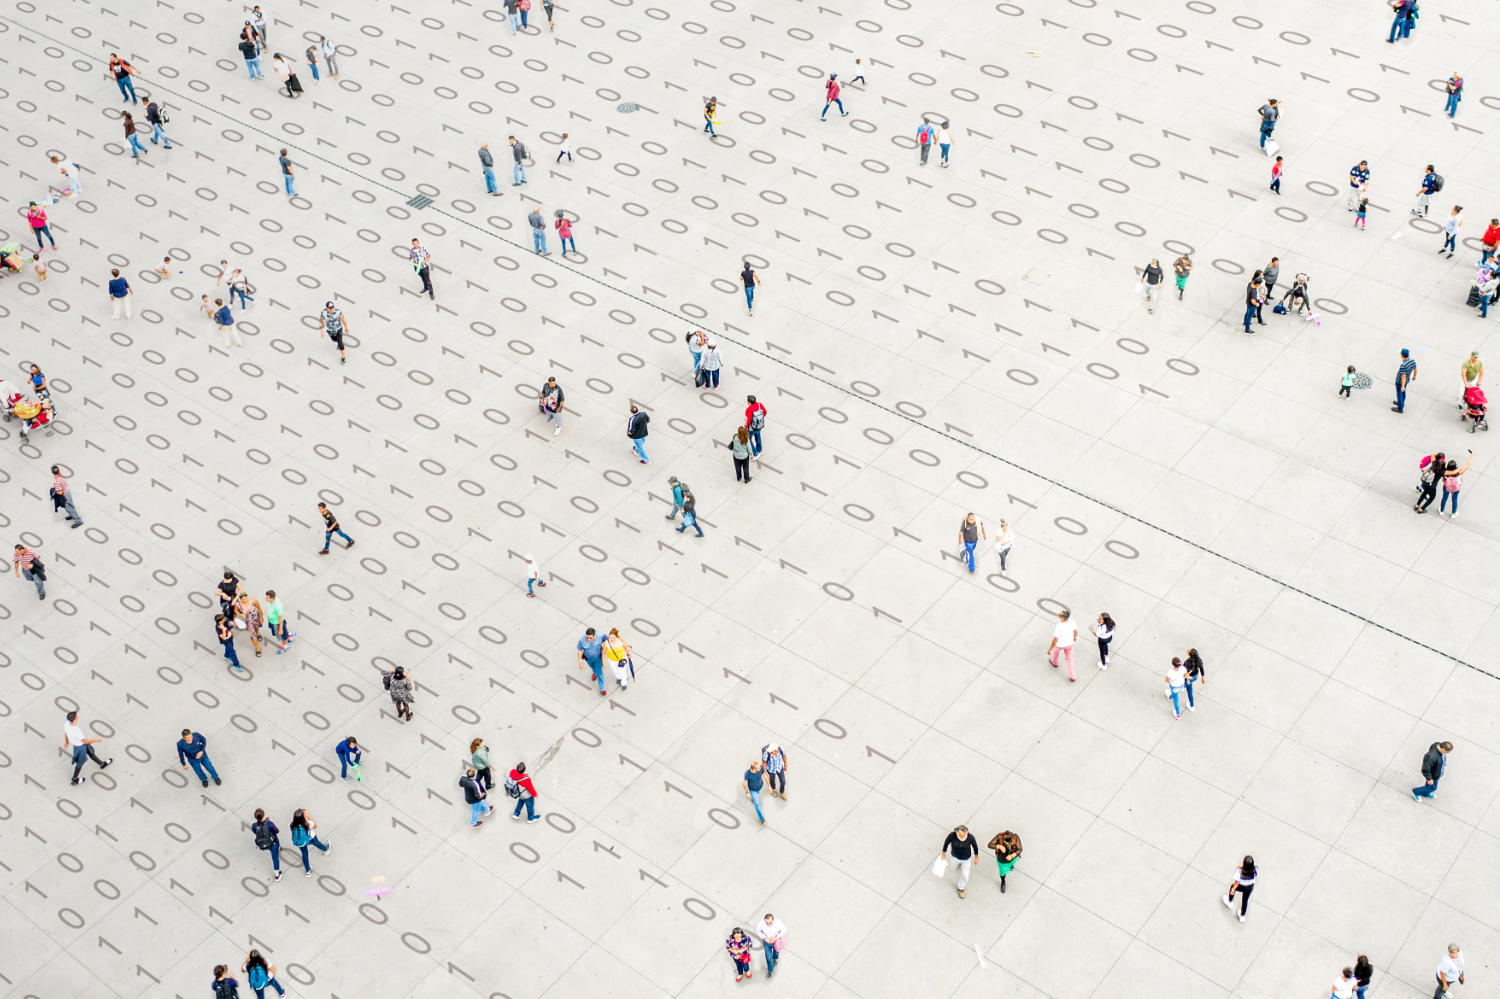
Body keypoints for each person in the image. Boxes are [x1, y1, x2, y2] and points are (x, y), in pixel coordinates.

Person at [62, 709, 112, 784]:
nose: (77, 715)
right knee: (80, 762)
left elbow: (66, 733)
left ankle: (102, 764)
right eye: (76, 715)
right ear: (75, 719)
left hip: (79, 745)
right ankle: (74, 778)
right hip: (80, 747)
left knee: (90, 752)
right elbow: (85, 741)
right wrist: (96, 740)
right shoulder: (76, 731)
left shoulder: (66, 724)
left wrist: (66, 742)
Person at [938, 825, 980, 898]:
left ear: (966, 832)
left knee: (965, 875)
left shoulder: (971, 838)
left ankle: (961, 888)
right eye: (959, 834)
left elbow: (975, 847)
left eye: (962, 835)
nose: (960, 836)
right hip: (955, 857)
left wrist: (976, 858)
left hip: (966, 859)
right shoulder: (952, 835)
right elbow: (946, 843)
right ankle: (958, 864)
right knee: (952, 867)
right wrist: (943, 854)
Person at [1221, 855, 1257, 922]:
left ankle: (1230, 902)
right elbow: (1253, 874)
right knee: (1245, 900)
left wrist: (1232, 890)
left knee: (1232, 887)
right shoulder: (1256, 870)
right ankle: (1242, 916)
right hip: (1250, 887)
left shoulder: (1240, 872)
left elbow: (1236, 883)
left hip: (1242, 886)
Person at [250, 808, 282, 881]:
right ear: (263, 815)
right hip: (273, 843)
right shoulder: (269, 824)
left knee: (272, 852)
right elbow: (277, 831)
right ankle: (277, 875)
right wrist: (270, 821)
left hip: (263, 843)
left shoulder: (254, 825)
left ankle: (277, 874)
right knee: (275, 858)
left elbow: (255, 832)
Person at [1046, 608, 1077, 681]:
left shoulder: (1059, 626)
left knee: (1055, 654)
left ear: (1062, 618)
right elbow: (1075, 631)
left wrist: (1050, 649)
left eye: (1060, 614)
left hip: (1060, 645)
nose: (1059, 614)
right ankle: (1073, 676)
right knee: (1069, 659)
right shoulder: (1072, 622)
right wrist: (1074, 637)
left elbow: (1055, 640)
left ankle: (1054, 663)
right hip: (1069, 643)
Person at [755, 914, 787, 979]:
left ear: (773, 919)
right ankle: (770, 971)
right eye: (767, 923)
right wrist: (765, 937)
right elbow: (758, 930)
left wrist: (776, 937)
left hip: (776, 941)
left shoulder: (778, 922)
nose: (768, 924)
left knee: (776, 952)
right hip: (767, 942)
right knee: (768, 957)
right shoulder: (761, 923)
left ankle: (775, 959)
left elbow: (784, 930)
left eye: (770, 922)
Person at [265, 589, 294, 653]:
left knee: (283, 636)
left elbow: (280, 619)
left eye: (267, 598)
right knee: (284, 630)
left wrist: (280, 629)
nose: (265, 599)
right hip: (272, 621)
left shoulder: (277, 606)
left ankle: (285, 646)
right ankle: (290, 633)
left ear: (271, 598)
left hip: (278, 623)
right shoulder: (272, 599)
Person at [743, 759, 767, 825]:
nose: (760, 768)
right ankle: (762, 818)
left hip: (759, 786)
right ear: (753, 769)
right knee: (757, 804)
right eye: (758, 767)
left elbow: (764, 775)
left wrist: (769, 785)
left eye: (759, 766)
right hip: (752, 790)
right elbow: (744, 783)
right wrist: (747, 793)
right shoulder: (747, 774)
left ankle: (753, 799)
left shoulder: (760, 768)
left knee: (755, 798)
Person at [1393, 348, 1416, 413]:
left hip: (1400, 382)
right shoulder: (1412, 361)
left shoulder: (1403, 365)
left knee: (1399, 394)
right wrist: (1414, 376)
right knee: (1403, 393)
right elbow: (1415, 369)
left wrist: (1402, 386)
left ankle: (1400, 408)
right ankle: (1401, 402)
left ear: (1402, 355)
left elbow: (1403, 377)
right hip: (1406, 380)